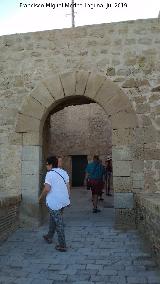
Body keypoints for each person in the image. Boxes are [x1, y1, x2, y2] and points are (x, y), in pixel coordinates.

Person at [39, 156, 70, 252]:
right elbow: (68, 187)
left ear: (51, 164)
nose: (46, 166)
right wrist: (68, 199)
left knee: (59, 222)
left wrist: (40, 198)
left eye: (47, 164)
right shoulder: (63, 172)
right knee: (54, 218)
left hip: (54, 202)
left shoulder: (50, 174)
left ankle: (62, 245)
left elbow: (47, 189)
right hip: (62, 201)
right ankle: (49, 236)